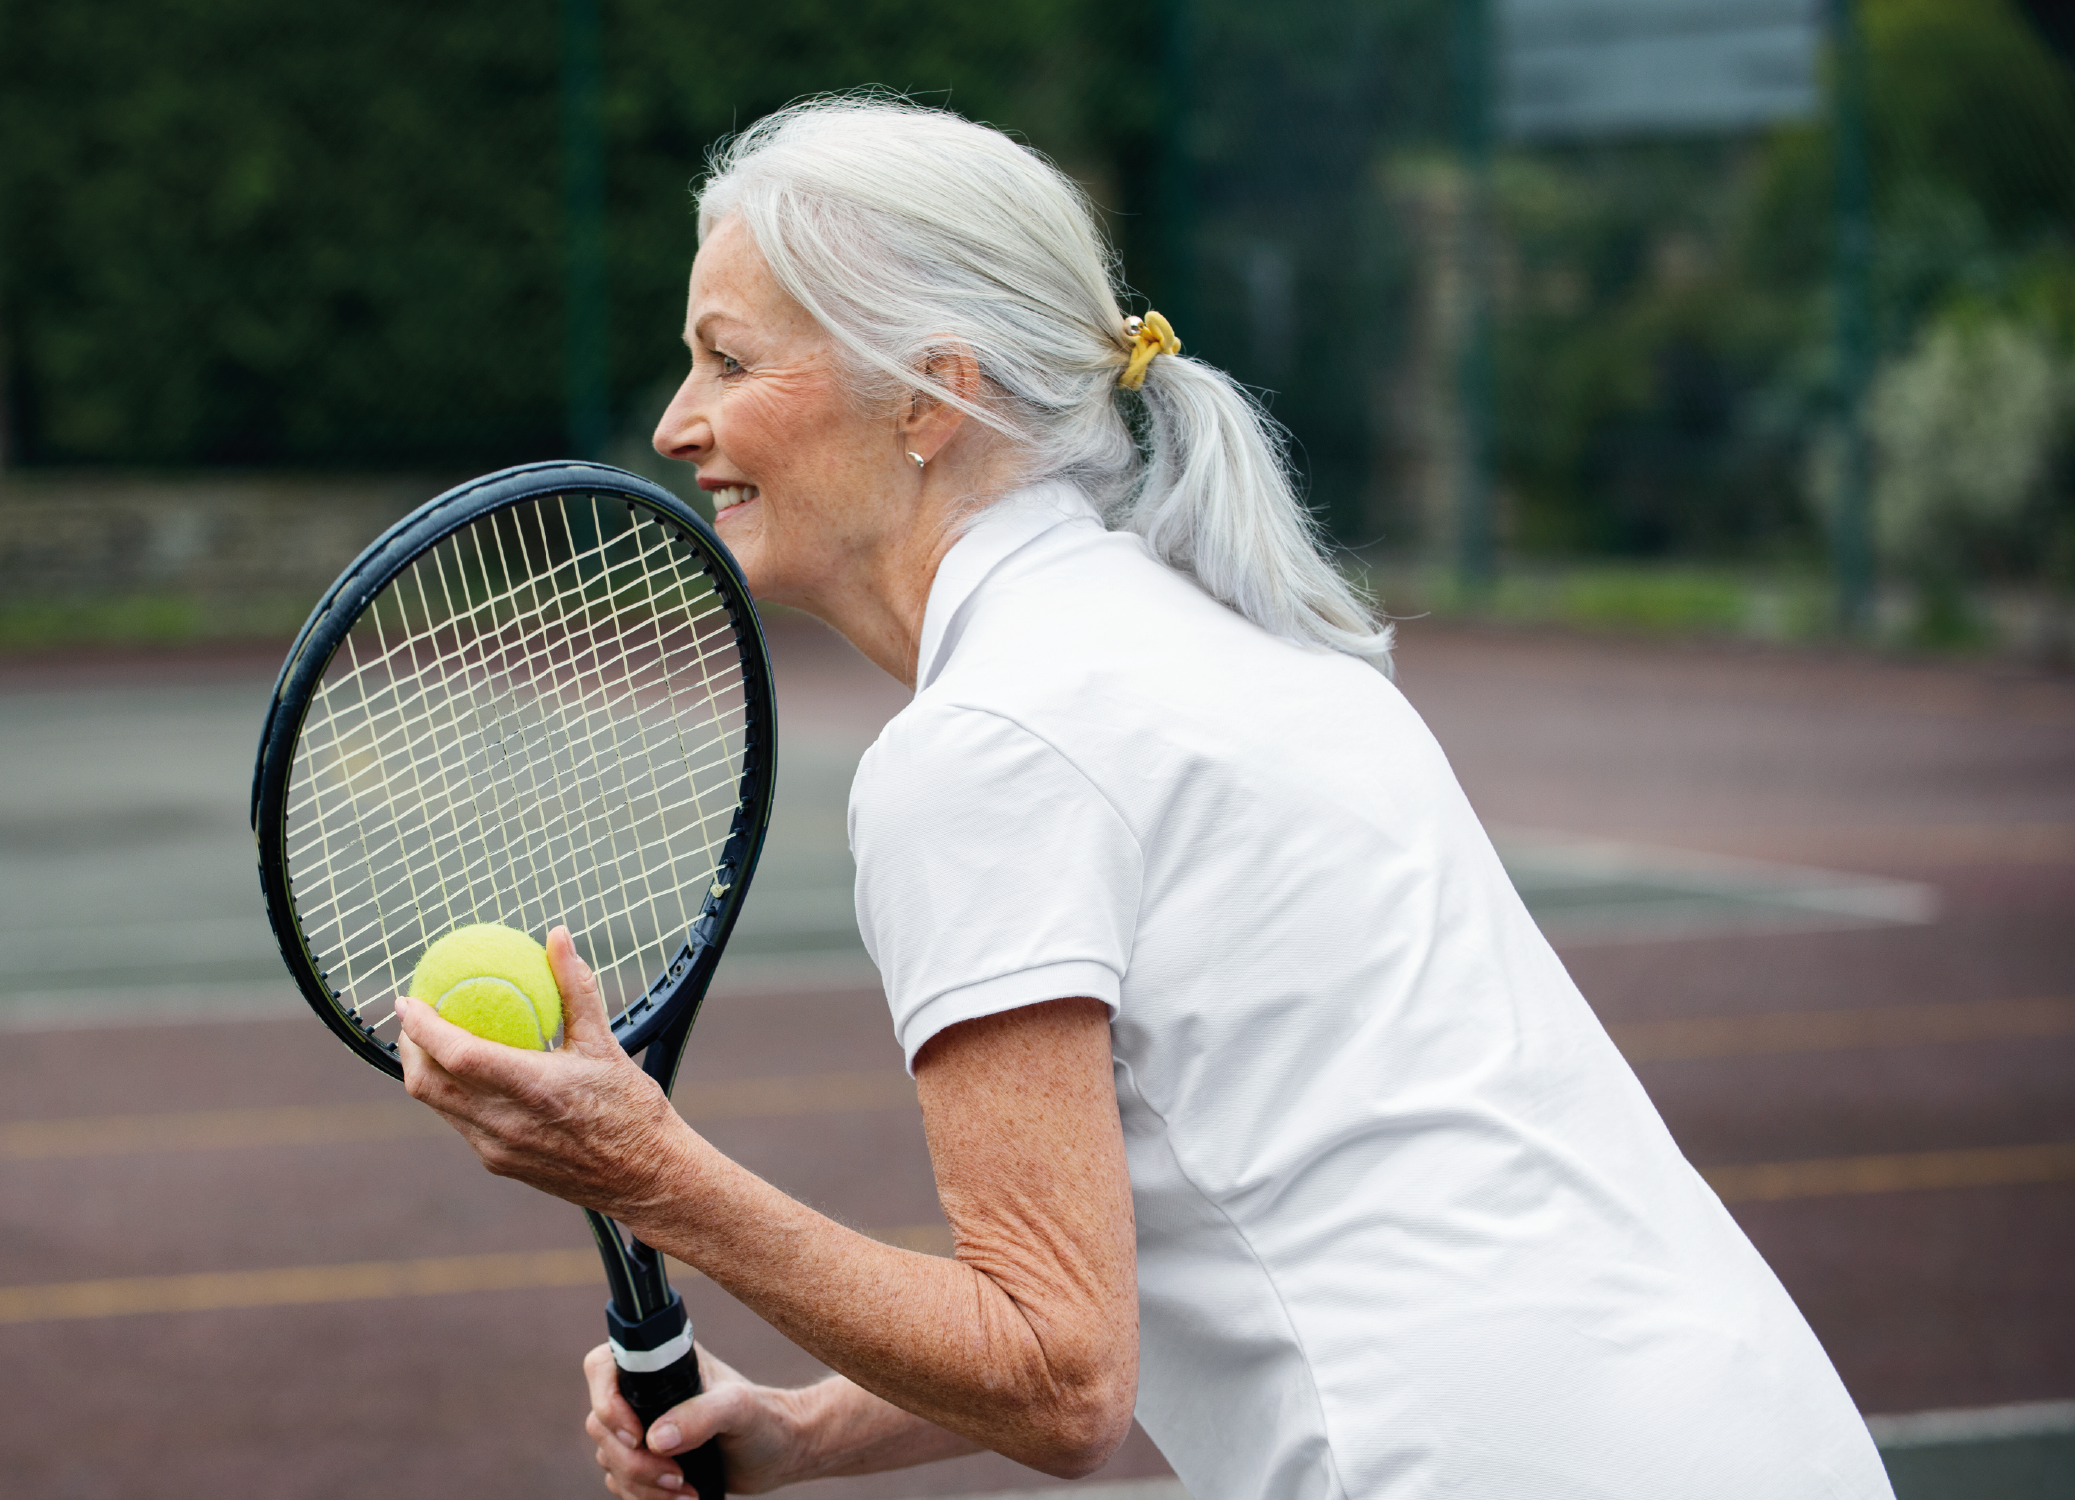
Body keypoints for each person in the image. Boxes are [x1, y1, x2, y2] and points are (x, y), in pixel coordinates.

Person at [392, 95, 1892, 1499]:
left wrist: (645, 1172)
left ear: (929, 398)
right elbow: (1225, 1226)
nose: (674, 420)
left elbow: (1060, 1379)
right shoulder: (1230, 635)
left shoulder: (991, 743)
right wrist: (801, 1428)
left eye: (728, 359)